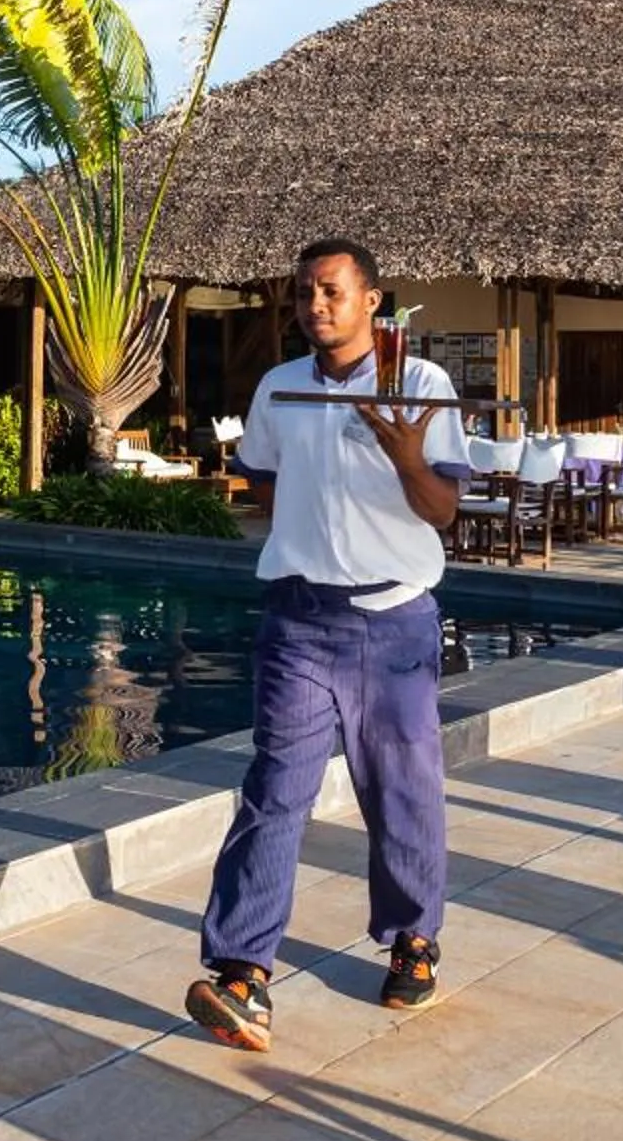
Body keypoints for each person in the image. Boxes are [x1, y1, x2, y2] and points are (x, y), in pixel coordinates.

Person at [185, 237, 470, 1055]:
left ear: (371, 301)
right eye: (306, 291)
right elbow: (262, 476)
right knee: (274, 791)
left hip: (395, 620)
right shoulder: (280, 386)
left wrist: (406, 456)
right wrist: (316, 529)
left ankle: (413, 940)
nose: (316, 304)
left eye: (332, 291)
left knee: (403, 790)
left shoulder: (421, 386)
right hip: (300, 618)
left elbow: (443, 511)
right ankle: (243, 973)